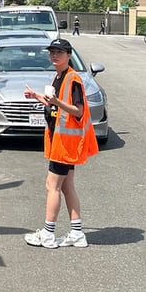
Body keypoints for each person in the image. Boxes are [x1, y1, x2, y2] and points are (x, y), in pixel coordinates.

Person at [22, 38, 99, 249]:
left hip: (65, 143)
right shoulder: (59, 76)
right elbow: (54, 104)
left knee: (52, 186)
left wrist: (55, 102)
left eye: (59, 52)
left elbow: (78, 110)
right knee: (66, 187)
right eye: (52, 52)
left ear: (68, 55)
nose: (54, 56)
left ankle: (48, 233)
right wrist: (37, 97)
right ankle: (76, 233)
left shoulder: (73, 78)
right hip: (62, 141)